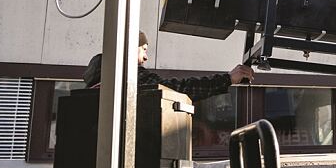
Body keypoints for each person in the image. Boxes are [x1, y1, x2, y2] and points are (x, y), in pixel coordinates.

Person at [83, 31, 254, 99]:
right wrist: (228, 79)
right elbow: (178, 89)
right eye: (143, 50)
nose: (146, 57)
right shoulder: (132, 77)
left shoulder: (99, 81)